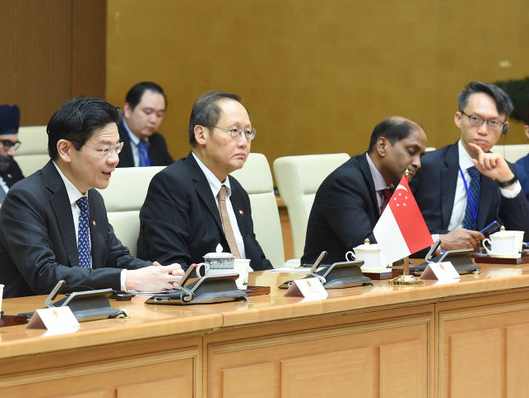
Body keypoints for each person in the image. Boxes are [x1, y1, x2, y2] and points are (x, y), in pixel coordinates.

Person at [0, 97, 183, 298]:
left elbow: (115, 256)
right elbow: (44, 275)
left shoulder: (92, 197)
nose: (114, 159)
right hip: (31, 313)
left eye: (117, 148)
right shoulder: (25, 198)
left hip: (87, 309)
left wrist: (158, 273)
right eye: (103, 149)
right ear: (65, 150)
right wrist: (128, 279)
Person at [137, 91, 272, 270]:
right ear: (201, 135)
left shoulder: (236, 191)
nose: (243, 142)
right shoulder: (170, 186)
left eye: (247, 132)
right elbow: (173, 268)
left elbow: (257, 262)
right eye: (234, 131)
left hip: (248, 286)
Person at [412, 81, 529, 250]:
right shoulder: (425, 165)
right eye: (475, 119)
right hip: (429, 262)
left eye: (494, 122)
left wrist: (508, 181)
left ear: (504, 128)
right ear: (459, 119)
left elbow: (523, 237)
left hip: (481, 264)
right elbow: (396, 233)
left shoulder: (505, 171)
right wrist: (438, 241)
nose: (483, 130)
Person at [301, 117, 427, 265]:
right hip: (329, 277)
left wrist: (438, 243)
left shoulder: (393, 185)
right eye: (411, 152)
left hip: (374, 275)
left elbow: (408, 240)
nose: (418, 163)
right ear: (382, 146)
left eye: (421, 156)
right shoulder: (344, 183)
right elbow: (366, 247)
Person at [117, 81, 174, 167]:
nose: (153, 120)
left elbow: (171, 171)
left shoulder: (157, 141)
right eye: (148, 112)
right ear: (128, 109)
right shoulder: (113, 139)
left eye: (159, 114)